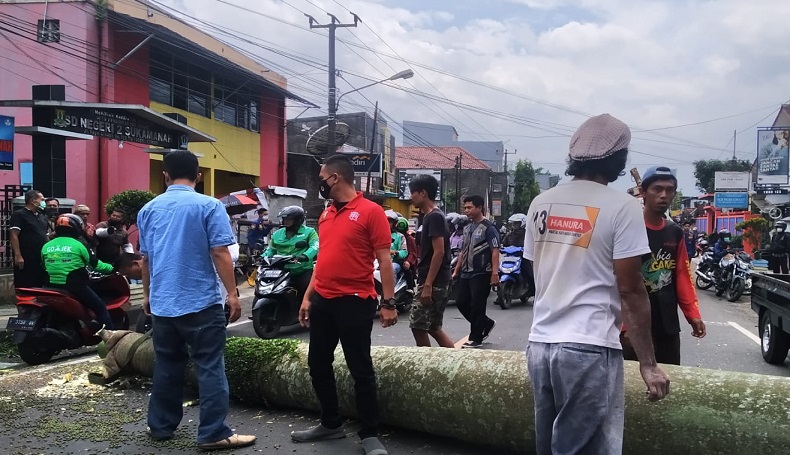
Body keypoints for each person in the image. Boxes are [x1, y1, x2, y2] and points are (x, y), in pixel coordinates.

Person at [523, 114, 669, 455]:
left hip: (540, 345)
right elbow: (631, 290)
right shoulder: (622, 207)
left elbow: (537, 269)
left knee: (550, 447)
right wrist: (648, 364)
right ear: (619, 160)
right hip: (588, 348)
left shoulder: (540, 203)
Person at [137, 150, 255, 451]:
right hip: (201, 302)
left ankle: (160, 427)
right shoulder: (209, 205)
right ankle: (213, 433)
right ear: (198, 176)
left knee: (166, 365)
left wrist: (148, 295)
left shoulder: (149, 209)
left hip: (163, 304)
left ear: (165, 175)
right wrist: (232, 293)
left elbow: (145, 260)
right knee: (210, 366)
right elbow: (219, 252)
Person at [291, 154, 397, 455]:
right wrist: (308, 296)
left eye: (321, 177)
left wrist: (388, 303)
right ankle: (331, 422)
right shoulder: (325, 215)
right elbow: (322, 260)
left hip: (355, 301)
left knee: (360, 369)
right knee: (318, 364)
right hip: (323, 299)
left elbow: (385, 261)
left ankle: (369, 433)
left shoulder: (370, 211)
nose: (319, 183)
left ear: (335, 178)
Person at [620, 166, 706, 366]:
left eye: (669, 190)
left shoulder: (674, 232)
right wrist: (625, 326)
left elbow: (682, 275)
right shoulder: (627, 228)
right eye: (657, 189)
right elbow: (615, 280)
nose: (663, 195)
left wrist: (692, 314)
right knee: (631, 386)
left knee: (669, 379)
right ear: (643, 192)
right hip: (633, 324)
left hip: (666, 323)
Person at [42, 214, 115, 330]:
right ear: (76, 228)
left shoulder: (46, 246)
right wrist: (112, 268)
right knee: (100, 307)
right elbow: (95, 265)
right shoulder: (79, 245)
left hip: (49, 286)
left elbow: (44, 265)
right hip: (74, 287)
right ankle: (113, 338)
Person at [407, 174, 455, 349]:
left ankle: (426, 365)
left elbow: (439, 251)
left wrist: (428, 284)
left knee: (418, 325)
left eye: (413, 192)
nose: (411, 197)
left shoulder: (434, 217)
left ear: (423, 193)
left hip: (434, 280)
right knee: (433, 327)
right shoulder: (432, 216)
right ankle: (453, 362)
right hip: (439, 279)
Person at [453, 195, 499, 349]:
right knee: (461, 302)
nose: (466, 211)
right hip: (466, 272)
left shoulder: (489, 228)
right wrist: (457, 270)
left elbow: (495, 251)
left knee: (478, 305)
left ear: (479, 208)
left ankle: (476, 338)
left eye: (469, 207)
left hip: (481, 272)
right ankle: (486, 323)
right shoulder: (466, 227)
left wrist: (494, 273)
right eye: (465, 208)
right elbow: (462, 251)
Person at [263, 205, 319, 304]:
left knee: (307, 292)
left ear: (298, 220)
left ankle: (308, 313)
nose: (286, 221)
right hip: (280, 270)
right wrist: (263, 257)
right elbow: (271, 250)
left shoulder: (309, 232)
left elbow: (315, 246)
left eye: (289, 218)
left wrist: (305, 256)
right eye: (284, 218)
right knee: (265, 286)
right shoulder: (277, 234)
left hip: (301, 271)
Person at [9, 189, 50, 289]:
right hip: (26, 257)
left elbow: (45, 235)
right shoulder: (19, 215)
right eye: (42, 199)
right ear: (33, 200)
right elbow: (14, 235)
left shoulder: (42, 217)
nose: (44, 202)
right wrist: (18, 255)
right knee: (25, 283)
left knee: (40, 282)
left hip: (40, 257)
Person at [385, 210, 408, 280]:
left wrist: (395, 252)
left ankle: (391, 289)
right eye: (385, 221)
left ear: (394, 223)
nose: (387, 223)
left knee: (391, 268)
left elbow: (404, 252)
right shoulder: (376, 235)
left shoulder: (400, 236)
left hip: (394, 262)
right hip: (377, 262)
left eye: (389, 222)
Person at [396, 216, 418, 291]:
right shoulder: (393, 237)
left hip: (405, 261)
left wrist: (408, 261)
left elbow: (413, 253)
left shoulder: (410, 239)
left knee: (407, 271)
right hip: (394, 260)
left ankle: (410, 289)